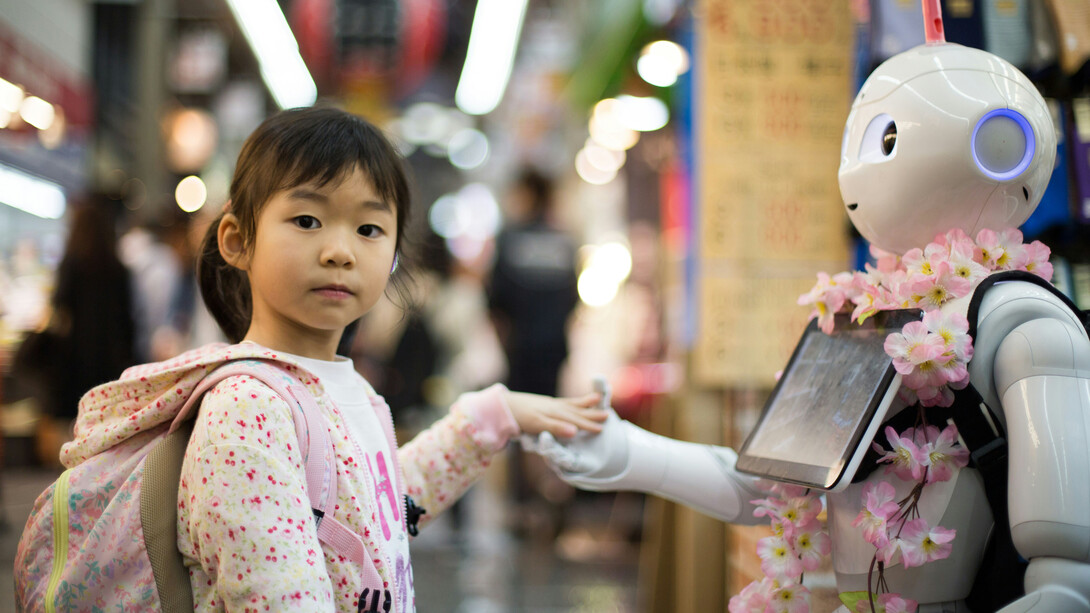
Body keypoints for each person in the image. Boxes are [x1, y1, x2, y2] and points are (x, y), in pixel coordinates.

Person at [60, 107, 606, 612]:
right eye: (307, 220)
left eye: (368, 228)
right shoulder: (248, 408)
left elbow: (374, 514)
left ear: (393, 252)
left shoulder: (344, 388)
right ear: (236, 240)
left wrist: (494, 417)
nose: (340, 250)